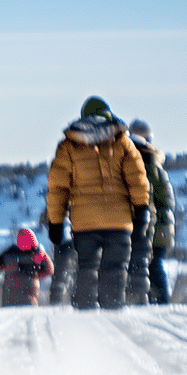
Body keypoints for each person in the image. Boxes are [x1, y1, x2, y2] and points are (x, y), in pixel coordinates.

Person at [44, 97, 150, 310]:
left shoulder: (68, 146)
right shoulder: (122, 142)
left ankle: (86, 319)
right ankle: (112, 313)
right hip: (119, 222)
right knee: (115, 269)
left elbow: (58, 188)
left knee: (87, 269)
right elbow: (138, 180)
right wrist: (141, 211)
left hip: (85, 223)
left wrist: (56, 222)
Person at [129, 119, 177, 304]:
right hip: (162, 225)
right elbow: (167, 199)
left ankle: (157, 302)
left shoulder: (146, 164)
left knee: (149, 265)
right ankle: (159, 302)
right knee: (154, 265)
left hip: (154, 225)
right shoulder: (156, 164)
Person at [0, 228, 54, 306]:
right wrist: (36, 275)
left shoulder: (9, 254)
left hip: (10, 298)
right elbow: (50, 270)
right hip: (30, 298)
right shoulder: (38, 254)